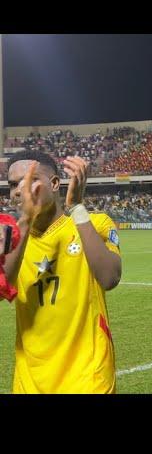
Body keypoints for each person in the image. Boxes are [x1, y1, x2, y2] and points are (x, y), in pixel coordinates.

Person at [5, 151, 122, 393]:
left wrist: (78, 208)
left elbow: (110, 277)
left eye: (29, 180)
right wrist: (26, 219)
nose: (19, 190)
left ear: (55, 183)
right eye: (13, 184)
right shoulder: (9, 236)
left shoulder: (95, 223)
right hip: (29, 381)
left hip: (87, 377)